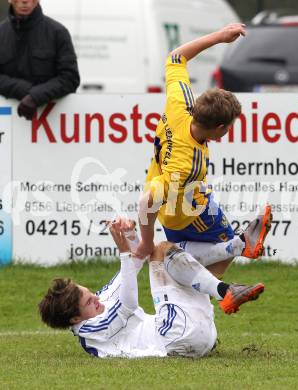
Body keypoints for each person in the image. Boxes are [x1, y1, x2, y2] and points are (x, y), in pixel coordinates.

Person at [135, 23, 272, 276]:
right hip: (188, 214)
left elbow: (176, 58)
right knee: (224, 246)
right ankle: (228, 268)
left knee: (188, 258)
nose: (229, 131)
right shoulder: (187, 163)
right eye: (229, 127)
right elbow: (147, 201)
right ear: (219, 127)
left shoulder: (181, 103)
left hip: (172, 209)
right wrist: (145, 241)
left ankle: (213, 277)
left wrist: (220, 36)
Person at [38, 218, 265, 359]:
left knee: (189, 265)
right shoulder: (89, 331)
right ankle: (230, 276)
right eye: (88, 303)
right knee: (164, 251)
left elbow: (138, 259)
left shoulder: (100, 300)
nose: (96, 299)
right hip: (175, 337)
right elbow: (128, 305)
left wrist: (128, 233)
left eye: (89, 293)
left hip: (195, 335)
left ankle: (241, 246)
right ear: (74, 319)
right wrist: (125, 253)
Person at [0, 0, 80, 120]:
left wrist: (35, 97)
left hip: (53, 125)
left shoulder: (58, 32)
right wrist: (24, 90)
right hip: (7, 126)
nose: (25, 1)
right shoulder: (1, 33)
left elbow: (70, 78)